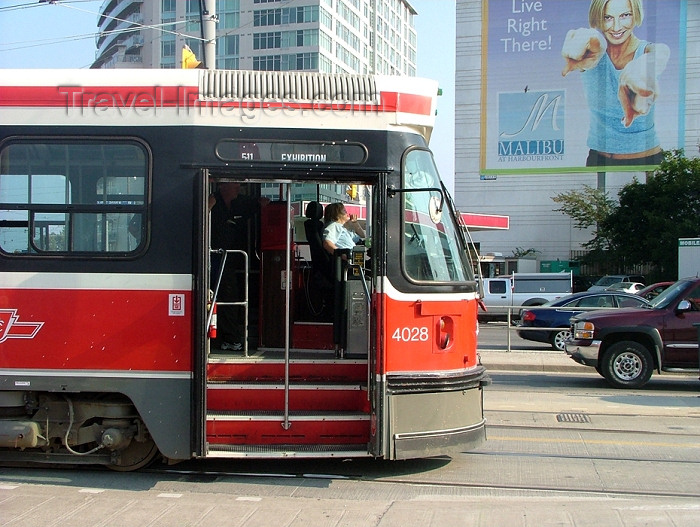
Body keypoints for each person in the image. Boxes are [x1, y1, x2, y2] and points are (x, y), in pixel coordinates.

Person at [561, 0, 670, 167]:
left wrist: (642, 67)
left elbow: (661, 53)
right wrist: (584, 39)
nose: (616, 26)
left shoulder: (648, 51)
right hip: (598, 160)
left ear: (636, 15)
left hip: (647, 162)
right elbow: (593, 40)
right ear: (598, 18)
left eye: (625, 15)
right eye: (607, 17)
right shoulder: (591, 53)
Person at [209, 182, 268, 351]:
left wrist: (263, 204)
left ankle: (228, 337)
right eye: (234, 184)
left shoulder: (239, 203)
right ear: (222, 186)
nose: (238, 187)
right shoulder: (212, 201)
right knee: (226, 296)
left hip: (231, 259)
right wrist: (207, 207)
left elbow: (256, 204)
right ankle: (229, 339)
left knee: (231, 296)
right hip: (214, 257)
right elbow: (196, 222)